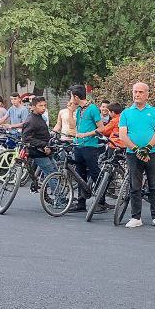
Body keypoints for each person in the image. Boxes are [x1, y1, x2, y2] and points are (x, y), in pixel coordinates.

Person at [118, 82, 155, 229]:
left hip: (153, 153)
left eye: (140, 92)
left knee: (154, 185)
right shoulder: (126, 113)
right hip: (133, 154)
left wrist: (147, 148)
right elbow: (122, 135)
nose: (137, 94)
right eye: (135, 91)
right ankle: (136, 217)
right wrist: (137, 150)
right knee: (135, 186)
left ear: (147, 95)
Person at [71, 85, 105, 214]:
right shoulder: (79, 110)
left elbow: (101, 128)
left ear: (76, 97)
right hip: (79, 145)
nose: (70, 99)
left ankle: (101, 202)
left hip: (90, 145)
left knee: (95, 172)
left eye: (71, 96)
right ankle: (81, 203)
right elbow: (76, 127)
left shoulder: (92, 108)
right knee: (79, 174)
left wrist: (85, 134)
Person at [20, 96, 57, 179]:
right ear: (33, 107)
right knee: (52, 175)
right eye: (40, 105)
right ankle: (54, 188)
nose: (43, 108)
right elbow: (27, 138)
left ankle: (44, 186)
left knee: (54, 172)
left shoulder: (39, 117)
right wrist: (44, 145)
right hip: (37, 152)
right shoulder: (31, 120)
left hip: (44, 151)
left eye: (44, 105)